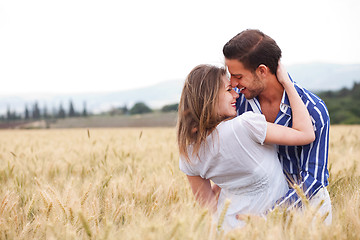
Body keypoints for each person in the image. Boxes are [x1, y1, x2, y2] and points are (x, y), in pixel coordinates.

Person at [177, 63, 315, 231]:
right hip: (271, 229)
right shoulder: (246, 125)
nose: (236, 94)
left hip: (228, 230)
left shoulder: (188, 152)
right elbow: (306, 133)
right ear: (209, 98)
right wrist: (287, 83)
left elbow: (209, 209)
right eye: (229, 90)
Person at [223, 29, 332, 224]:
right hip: (253, 211)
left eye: (238, 76)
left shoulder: (314, 112)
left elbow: (313, 180)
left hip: (308, 215)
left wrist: (269, 216)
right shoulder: (238, 105)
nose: (233, 84)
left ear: (262, 71)